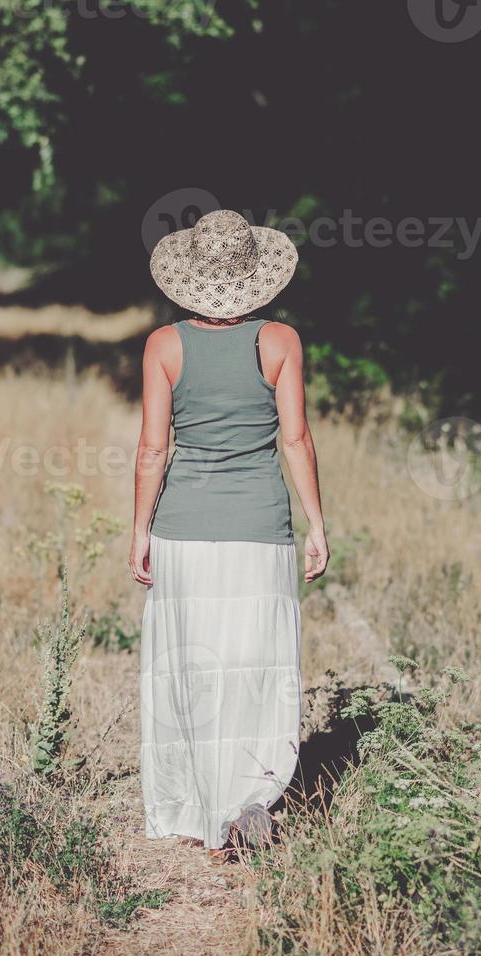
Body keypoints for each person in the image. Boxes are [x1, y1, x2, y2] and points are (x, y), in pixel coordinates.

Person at [130, 208, 329, 861]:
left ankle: (192, 801)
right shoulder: (279, 342)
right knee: (254, 662)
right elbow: (295, 438)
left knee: (189, 662)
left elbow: (152, 450)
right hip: (258, 530)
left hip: (184, 529)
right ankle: (251, 796)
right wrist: (317, 524)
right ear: (253, 278)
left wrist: (140, 530)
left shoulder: (163, 345)